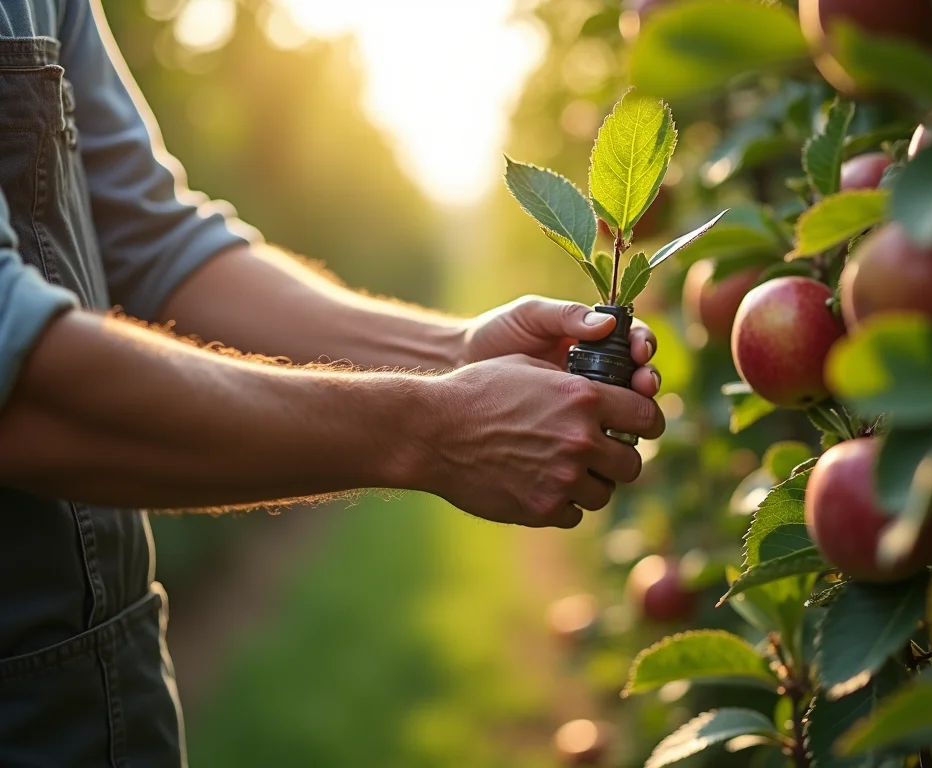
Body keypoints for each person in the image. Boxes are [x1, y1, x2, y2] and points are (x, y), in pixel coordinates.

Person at [0, 0, 664, 764]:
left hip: (106, 703)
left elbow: (153, 244)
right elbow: (15, 378)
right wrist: (432, 430)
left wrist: (455, 353)